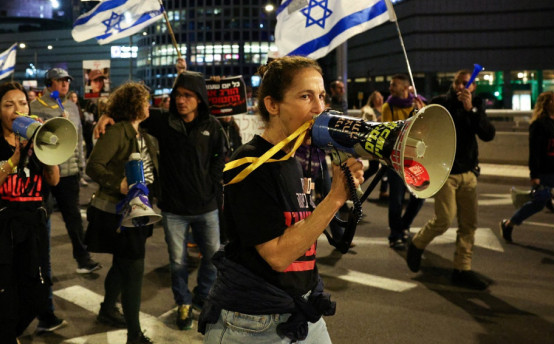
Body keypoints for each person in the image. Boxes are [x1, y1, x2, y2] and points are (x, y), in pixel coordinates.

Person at [199, 56, 364, 343]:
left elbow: (302, 231)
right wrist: (335, 198)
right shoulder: (250, 164)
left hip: (300, 309)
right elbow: (277, 256)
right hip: (253, 324)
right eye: (305, 96)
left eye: (322, 96)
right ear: (272, 105)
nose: (320, 108)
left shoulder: (293, 160)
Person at [95, 65, 225, 330]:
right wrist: (105, 115)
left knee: (213, 260)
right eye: (178, 94)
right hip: (173, 210)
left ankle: (201, 299)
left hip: (207, 208)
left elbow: (219, 159)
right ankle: (184, 303)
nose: (181, 99)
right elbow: (127, 108)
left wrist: (212, 185)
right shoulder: (162, 120)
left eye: (188, 95)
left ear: (199, 98)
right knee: (177, 263)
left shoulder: (212, 126)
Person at [0, 82, 60, 343]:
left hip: (30, 231)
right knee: (5, 305)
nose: (17, 109)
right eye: (9, 104)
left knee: (38, 298)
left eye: (22, 103)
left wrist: (48, 148)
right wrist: (13, 161)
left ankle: (5, 329)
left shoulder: (35, 141)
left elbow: (53, 180)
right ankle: (4, 332)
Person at [405, 70, 495, 290]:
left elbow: (487, 133)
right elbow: (418, 131)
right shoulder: (440, 103)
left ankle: (462, 269)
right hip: (446, 172)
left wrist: (471, 109)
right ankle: (417, 244)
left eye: (467, 84)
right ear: (453, 84)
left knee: (468, 224)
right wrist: (417, 113)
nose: (462, 87)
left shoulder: (476, 105)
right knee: (444, 218)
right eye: (459, 83)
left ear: (473, 87)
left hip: (469, 172)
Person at [86, 82, 159, 344]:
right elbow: (93, 166)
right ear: (134, 105)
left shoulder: (143, 134)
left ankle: (107, 308)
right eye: (145, 101)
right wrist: (118, 183)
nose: (149, 105)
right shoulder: (119, 131)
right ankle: (134, 334)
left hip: (139, 210)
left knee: (122, 264)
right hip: (120, 213)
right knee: (134, 269)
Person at [30, 68, 99, 273]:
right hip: (46, 171)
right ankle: (38, 261)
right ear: (49, 82)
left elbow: (78, 138)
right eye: (60, 81)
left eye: (67, 81)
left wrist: (81, 165)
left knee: (73, 217)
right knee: (42, 216)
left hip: (69, 172)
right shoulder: (36, 106)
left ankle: (83, 258)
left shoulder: (72, 105)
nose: (65, 84)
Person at [499, 92, 554, 254]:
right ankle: (509, 223)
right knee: (538, 203)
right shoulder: (538, 125)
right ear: (546, 104)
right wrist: (535, 176)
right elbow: (535, 152)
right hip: (545, 173)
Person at [382, 74, 426, 250]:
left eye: (394, 85)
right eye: (391, 84)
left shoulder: (420, 104)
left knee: (419, 195)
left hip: (415, 159)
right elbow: (390, 130)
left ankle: (404, 225)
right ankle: (395, 234)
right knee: (396, 199)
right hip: (396, 159)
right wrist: (411, 115)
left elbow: (425, 129)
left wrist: (421, 113)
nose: (391, 87)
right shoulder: (388, 106)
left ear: (405, 87)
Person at [360, 90, 388, 199]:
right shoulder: (369, 111)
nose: (380, 99)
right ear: (373, 100)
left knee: (380, 166)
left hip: (384, 141)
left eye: (381, 96)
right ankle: (355, 185)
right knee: (374, 167)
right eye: (377, 97)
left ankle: (383, 190)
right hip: (374, 142)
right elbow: (364, 122)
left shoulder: (386, 109)